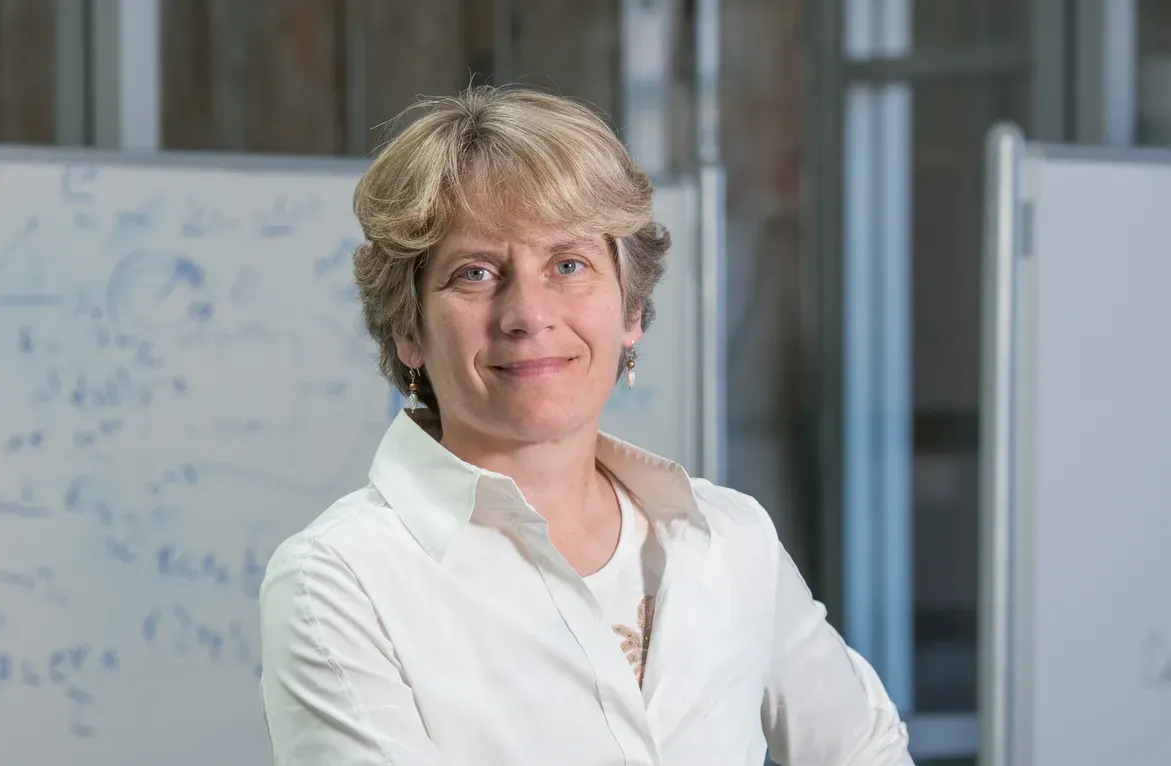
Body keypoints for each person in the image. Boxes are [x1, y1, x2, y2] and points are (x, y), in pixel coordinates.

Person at [258, 86, 913, 765]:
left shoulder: (727, 538)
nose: (528, 314)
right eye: (476, 272)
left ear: (631, 311)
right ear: (407, 330)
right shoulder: (338, 582)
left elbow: (867, 751)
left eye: (568, 265)